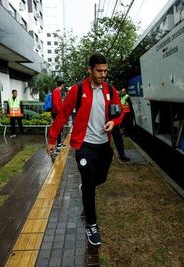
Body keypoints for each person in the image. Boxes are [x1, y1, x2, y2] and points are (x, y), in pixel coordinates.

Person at [47, 53, 124, 246]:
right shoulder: (77, 89)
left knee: (101, 178)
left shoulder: (110, 89)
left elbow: (119, 110)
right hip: (85, 146)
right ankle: (91, 225)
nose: (103, 74)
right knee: (89, 184)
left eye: (105, 70)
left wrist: (114, 122)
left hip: (103, 146)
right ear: (89, 69)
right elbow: (63, 114)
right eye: (99, 70)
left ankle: (87, 186)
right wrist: (52, 138)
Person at [51, 80, 66, 153]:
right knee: (58, 128)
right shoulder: (56, 91)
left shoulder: (57, 91)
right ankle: (57, 146)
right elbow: (56, 103)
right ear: (62, 84)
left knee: (60, 128)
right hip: (56, 113)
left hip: (57, 112)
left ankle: (59, 143)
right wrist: (60, 113)